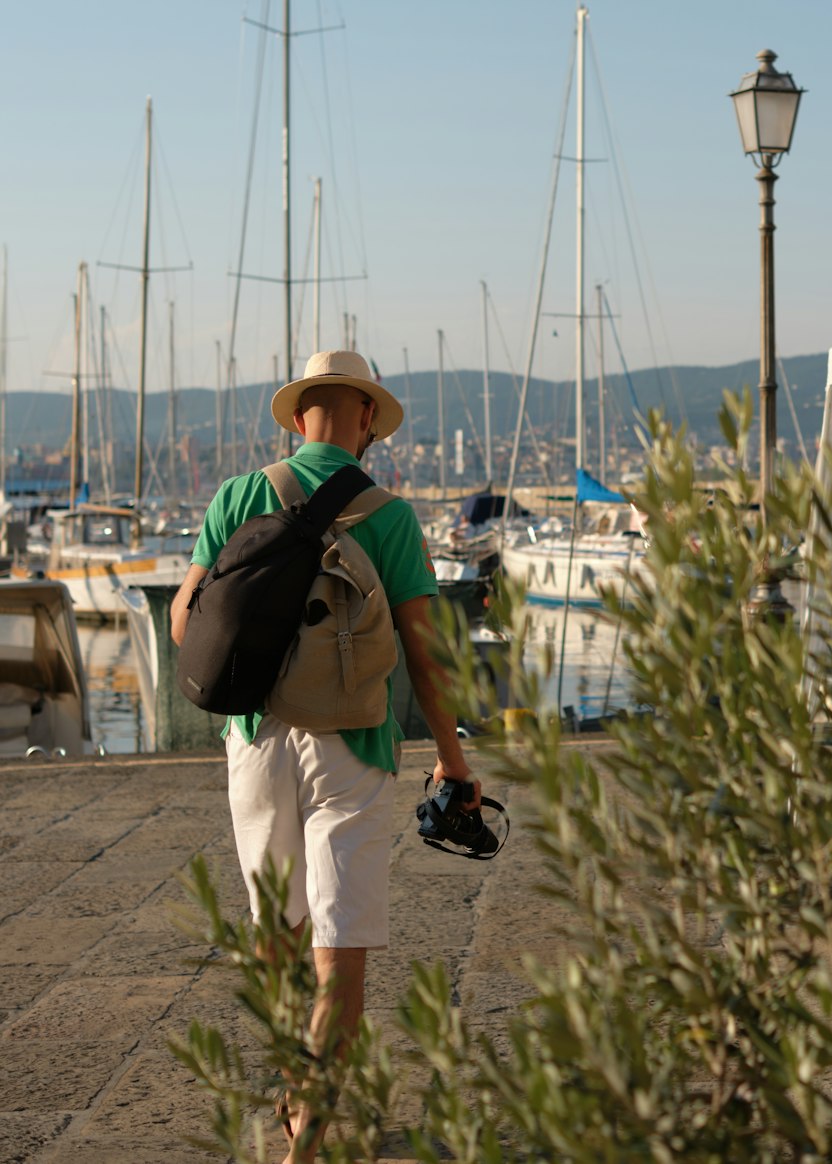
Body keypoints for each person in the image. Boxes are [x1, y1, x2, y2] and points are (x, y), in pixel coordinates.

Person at [170, 350, 480, 1163]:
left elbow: (184, 621)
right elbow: (423, 654)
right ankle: (305, 1140)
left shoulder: (240, 495)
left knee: (278, 934)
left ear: (298, 416)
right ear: (368, 420)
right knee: (339, 954)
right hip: (356, 745)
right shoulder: (390, 515)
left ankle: (288, 1079)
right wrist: (452, 762)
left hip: (256, 740)